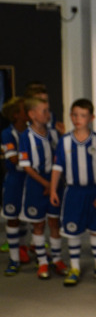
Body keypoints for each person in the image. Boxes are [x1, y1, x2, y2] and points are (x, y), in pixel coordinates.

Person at [49, 99, 96, 286]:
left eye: (83, 115)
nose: (78, 119)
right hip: (73, 193)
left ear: (91, 118)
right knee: (73, 231)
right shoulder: (65, 141)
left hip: (94, 191)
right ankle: (74, 267)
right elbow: (57, 168)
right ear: (70, 116)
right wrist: (53, 190)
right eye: (75, 115)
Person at [18, 96, 63, 279]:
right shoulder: (26, 136)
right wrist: (46, 184)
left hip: (53, 181)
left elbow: (60, 157)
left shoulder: (53, 133)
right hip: (36, 184)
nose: (48, 114)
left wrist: (53, 184)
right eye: (44, 111)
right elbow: (27, 166)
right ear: (32, 114)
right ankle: (42, 261)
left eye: (48, 110)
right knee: (38, 224)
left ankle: (57, 259)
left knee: (54, 222)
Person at [3, 97, 30, 275]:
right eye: (24, 109)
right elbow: (13, 159)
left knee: (28, 216)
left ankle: (23, 248)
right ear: (16, 115)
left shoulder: (32, 131)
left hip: (30, 179)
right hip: (14, 181)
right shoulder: (7, 134)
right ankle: (14, 259)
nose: (28, 111)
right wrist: (33, 159)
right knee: (12, 217)